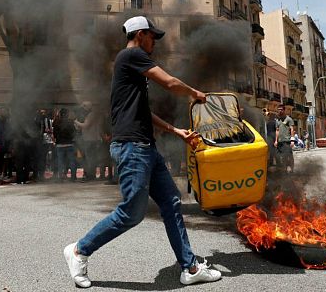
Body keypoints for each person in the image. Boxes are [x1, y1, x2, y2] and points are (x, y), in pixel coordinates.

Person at [63, 16, 221, 288]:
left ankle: (189, 267)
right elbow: (170, 83)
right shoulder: (130, 55)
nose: (154, 43)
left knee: (171, 203)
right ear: (140, 34)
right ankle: (79, 250)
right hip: (133, 148)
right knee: (131, 213)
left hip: (146, 147)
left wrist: (176, 131)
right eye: (152, 37)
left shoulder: (130, 71)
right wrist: (194, 92)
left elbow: (143, 112)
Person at [53, 108, 77, 182]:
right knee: (72, 161)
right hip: (69, 144)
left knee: (60, 162)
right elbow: (74, 132)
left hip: (60, 144)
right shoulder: (70, 122)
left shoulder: (56, 122)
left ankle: (61, 178)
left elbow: (55, 134)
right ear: (67, 114)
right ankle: (73, 177)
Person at [274, 104, 295, 173]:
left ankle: (292, 170)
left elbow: (292, 129)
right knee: (282, 157)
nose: (280, 111)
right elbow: (277, 130)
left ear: (284, 110)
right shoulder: (277, 120)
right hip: (280, 141)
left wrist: (292, 140)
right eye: (279, 109)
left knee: (289, 156)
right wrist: (276, 141)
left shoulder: (289, 119)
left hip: (287, 141)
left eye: (281, 109)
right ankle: (284, 170)